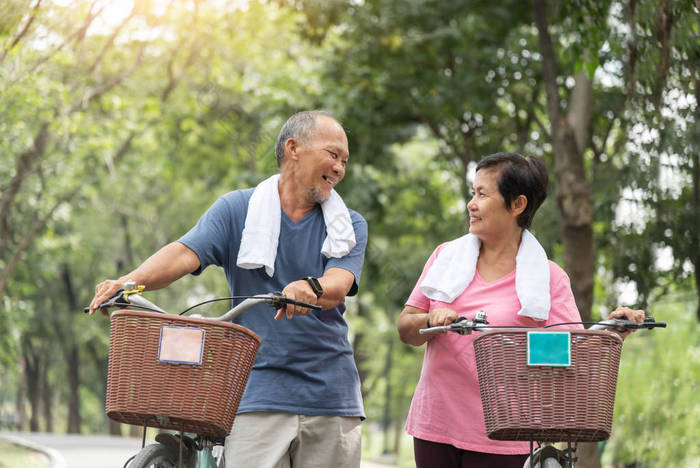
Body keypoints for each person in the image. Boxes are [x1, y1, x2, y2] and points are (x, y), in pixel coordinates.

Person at [89, 110, 368, 468]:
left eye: (345, 160)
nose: (341, 167)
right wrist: (129, 282)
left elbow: (337, 285)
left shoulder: (349, 225)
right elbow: (183, 253)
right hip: (258, 393)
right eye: (333, 154)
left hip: (332, 400)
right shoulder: (236, 210)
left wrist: (308, 288)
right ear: (294, 148)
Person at [396, 152, 644, 468]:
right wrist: (430, 319)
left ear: (517, 205)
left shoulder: (549, 278)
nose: (471, 203)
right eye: (473, 193)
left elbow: (569, 353)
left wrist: (612, 329)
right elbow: (406, 328)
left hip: (507, 436)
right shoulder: (445, 258)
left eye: (482, 194)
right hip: (436, 426)